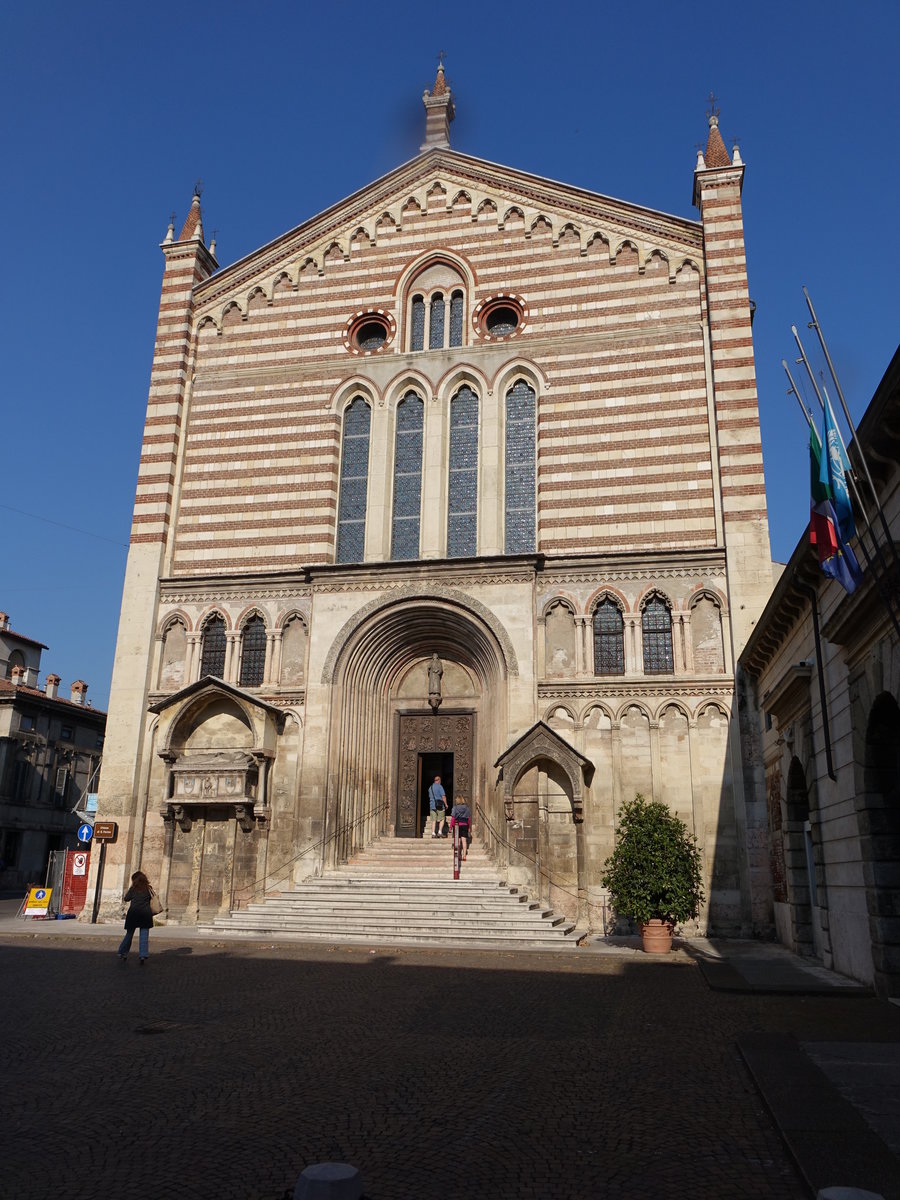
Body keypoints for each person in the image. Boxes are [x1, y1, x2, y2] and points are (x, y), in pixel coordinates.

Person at [117, 871, 155, 965]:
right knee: (144, 935)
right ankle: (143, 955)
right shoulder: (148, 888)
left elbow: (126, 898)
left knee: (129, 934)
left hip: (133, 913)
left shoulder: (133, 889)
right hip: (145, 914)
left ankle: (123, 952)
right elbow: (153, 898)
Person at [449, 795, 471, 860]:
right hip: (465, 825)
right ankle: (464, 855)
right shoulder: (467, 808)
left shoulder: (455, 808)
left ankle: (458, 855)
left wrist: (450, 827)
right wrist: (469, 827)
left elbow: (453, 818)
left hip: (457, 825)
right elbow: (469, 819)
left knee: (457, 841)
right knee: (464, 841)